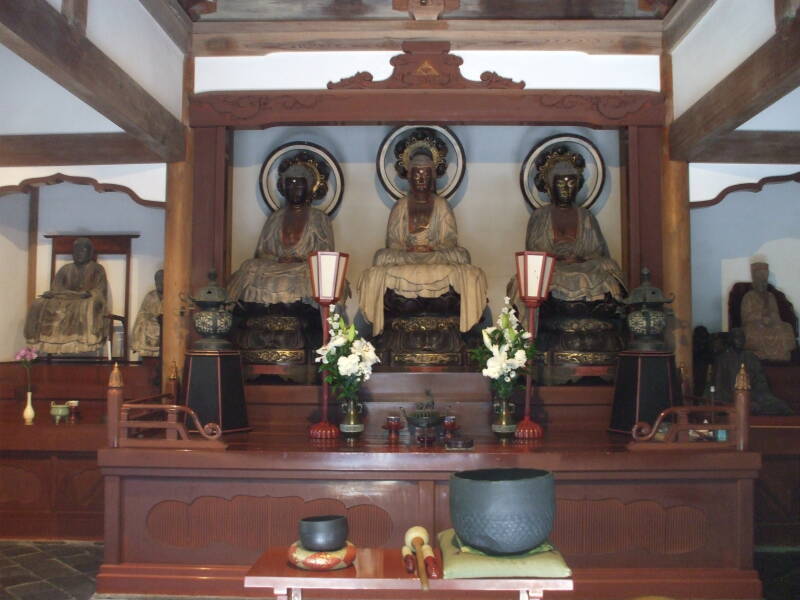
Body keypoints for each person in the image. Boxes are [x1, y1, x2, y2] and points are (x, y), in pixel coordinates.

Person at [357, 151, 487, 335]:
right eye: (416, 173)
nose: (421, 178)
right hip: (407, 257)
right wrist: (407, 249)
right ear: (408, 176)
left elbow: (450, 240)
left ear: (433, 176)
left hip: (435, 256)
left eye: (425, 174)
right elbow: (393, 242)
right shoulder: (401, 206)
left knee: (463, 255)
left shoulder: (442, 205)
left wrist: (433, 248)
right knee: (381, 257)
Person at [523, 146, 625, 302]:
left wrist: (580, 259)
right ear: (549, 186)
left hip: (584, 266)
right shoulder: (540, 216)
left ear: (578, 185)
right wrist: (559, 258)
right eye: (560, 184)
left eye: (571, 183)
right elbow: (534, 255)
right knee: (532, 278)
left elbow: (599, 253)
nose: (566, 189)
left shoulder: (586, 216)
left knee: (607, 267)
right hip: (554, 269)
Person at [226, 164, 335, 307]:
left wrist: (300, 259)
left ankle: (301, 313)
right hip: (275, 265)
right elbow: (260, 253)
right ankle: (255, 311)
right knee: (249, 266)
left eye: (299, 186)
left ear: (309, 189)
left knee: (317, 275)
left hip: (302, 267)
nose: (295, 191)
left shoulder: (319, 218)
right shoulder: (275, 217)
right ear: (283, 189)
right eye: (290, 186)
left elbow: (327, 256)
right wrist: (278, 258)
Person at [24, 237, 109, 354]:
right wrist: (54, 293)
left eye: (82, 250)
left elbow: (100, 290)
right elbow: (57, 288)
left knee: (88, 305)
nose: (79, 254)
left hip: (85, 299)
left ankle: (81, 340)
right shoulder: (66, 269)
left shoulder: (97, 269)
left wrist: (89, 293)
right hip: (66, 298)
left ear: (90, 252)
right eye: (76, 251)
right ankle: (46, 340)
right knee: (37, 304)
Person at [714, 328, 793, 416]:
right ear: (731, 340)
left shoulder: (751, 357)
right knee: (743, 406)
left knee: (781, 406)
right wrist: (733, 398)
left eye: (742, 338)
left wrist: (758, 394)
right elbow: (720, 383)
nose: (740, 340)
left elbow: (760, 380)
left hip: (753, 394)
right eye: (737, 337)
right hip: (732, 396)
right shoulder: (723, 359)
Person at [741, 262, 796, 362]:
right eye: (760, 279)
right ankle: (758, 353)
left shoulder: (770, 296)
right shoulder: (748, 297)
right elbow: (745, 318)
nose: (762, 282)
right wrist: (760, 316)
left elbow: (776, 315)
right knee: (748, 333)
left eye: (764, 280)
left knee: (787, 328)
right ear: (754, 280)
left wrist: (771, 318)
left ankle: (780, 353)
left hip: (771, 326)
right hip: (755, 327)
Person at [131, 269, 163, 357]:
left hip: (165, 325)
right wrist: (150, 317)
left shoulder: (171, 296)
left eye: (161, 280)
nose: (159, 283)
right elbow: (142, 312)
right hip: (151, 324)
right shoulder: (150, 296)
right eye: (157, 280)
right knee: (143, 322)